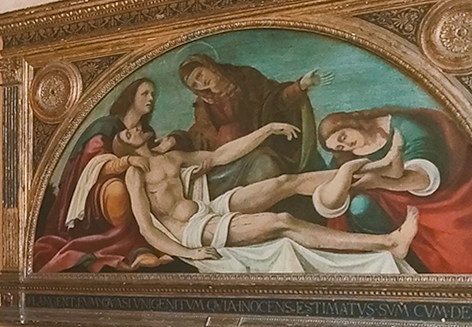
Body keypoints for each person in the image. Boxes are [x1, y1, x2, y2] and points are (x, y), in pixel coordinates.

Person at [121, 121, 418, 265]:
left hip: (208, 208)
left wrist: (268, 129)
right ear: (126, 145)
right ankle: (388, 243)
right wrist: (188, 253)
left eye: (133, 127)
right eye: (125, 133)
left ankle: (380, 172)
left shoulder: (172, 158)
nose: (131, 129)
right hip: (194, 230)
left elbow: (222, 155)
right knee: (283, 221)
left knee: (287, 181)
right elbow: (147, 227)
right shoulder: (136, 175)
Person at [33, 78, 172, 272]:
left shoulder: (146, 131)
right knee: (118, 191)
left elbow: (152, 158)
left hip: (138, 186)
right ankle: (130, 249)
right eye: (145, 93)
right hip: (94, 192)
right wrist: (127, 161)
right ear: (131, 97)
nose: (151, 98)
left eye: (153, 94)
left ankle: (145, 247)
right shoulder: (105, 127)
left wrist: (173, 142)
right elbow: (93, 166)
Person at [318, 107, 472, 274]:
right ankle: (397, 261)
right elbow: (330, 184)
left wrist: (380, 182)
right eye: (340, 147)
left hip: (429, 203)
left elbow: (424, 177)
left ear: (351, 123)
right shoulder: (348, 157)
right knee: (360, 206)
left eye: (343, 137)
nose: (346, 145)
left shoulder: (403, 126)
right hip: (385, 214)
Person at [176, 53, 328, 195]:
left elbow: (274, 101)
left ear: (208, 65)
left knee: (265, 166)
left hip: (257, 148)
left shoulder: (245, 79)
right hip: (226, 161)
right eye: (195, 84)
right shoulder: (203, 105)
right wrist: (175, 139)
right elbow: (197, 133)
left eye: (199, 74)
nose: (201, 82)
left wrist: (300, 86)